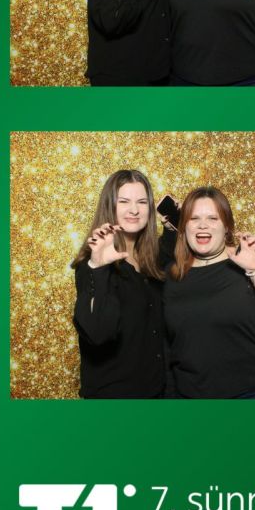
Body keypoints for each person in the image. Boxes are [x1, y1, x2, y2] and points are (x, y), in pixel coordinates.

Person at [164, 187, 255, 398]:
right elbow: (166, 345)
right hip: (191, 397)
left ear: (227, 227)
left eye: (213, 218)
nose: (203, 225)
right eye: (194, 219)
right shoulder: (171, 275)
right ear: (183, 227)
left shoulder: (248, 261)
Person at [71, 170, 168, 398]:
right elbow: (97, 334)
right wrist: (99, 268)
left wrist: (176, 224)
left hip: (155, 394)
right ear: (110, 206)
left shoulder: (151, 260)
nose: (134, 210)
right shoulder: (91, 265)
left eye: (141, 202)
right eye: (124, 201)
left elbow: (176, 254)